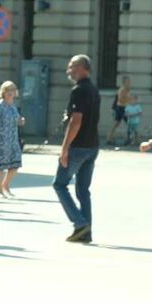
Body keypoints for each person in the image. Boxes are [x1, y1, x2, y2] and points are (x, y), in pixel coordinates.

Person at [53, 54, 100, 243]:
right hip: (92, 146)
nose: (68, 70)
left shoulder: (79, 91)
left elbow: (76, 121)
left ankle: (80, 224)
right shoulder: (93, 90)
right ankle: (86, 231)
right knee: (82, 190)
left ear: (83, 68)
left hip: (78, 146)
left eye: (72, 66)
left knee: (59, 184)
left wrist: (64, 148)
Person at [0, 81, 24, 196]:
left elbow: (17, 119)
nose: (10, 93)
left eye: (12, 91)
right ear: (3, 92)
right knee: (0, 165)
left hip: (13, 138)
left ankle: (6, 184)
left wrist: (21, 121)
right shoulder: (0, 105)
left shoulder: (13, 105)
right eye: (8, 91)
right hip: (1, 139)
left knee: (15, 163)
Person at [107, 76, 133, 145]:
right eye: (128, 82)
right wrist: (129, 99)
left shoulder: (127, 89)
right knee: (125, 123)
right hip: (121, 108)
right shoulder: (122, 90)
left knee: (127, 124)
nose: (129, 83)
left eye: (129, 82)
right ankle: (109, 138)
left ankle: (129, 139)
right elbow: (121, 99)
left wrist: (129, 100)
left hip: (124, 108)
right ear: (124, 82)